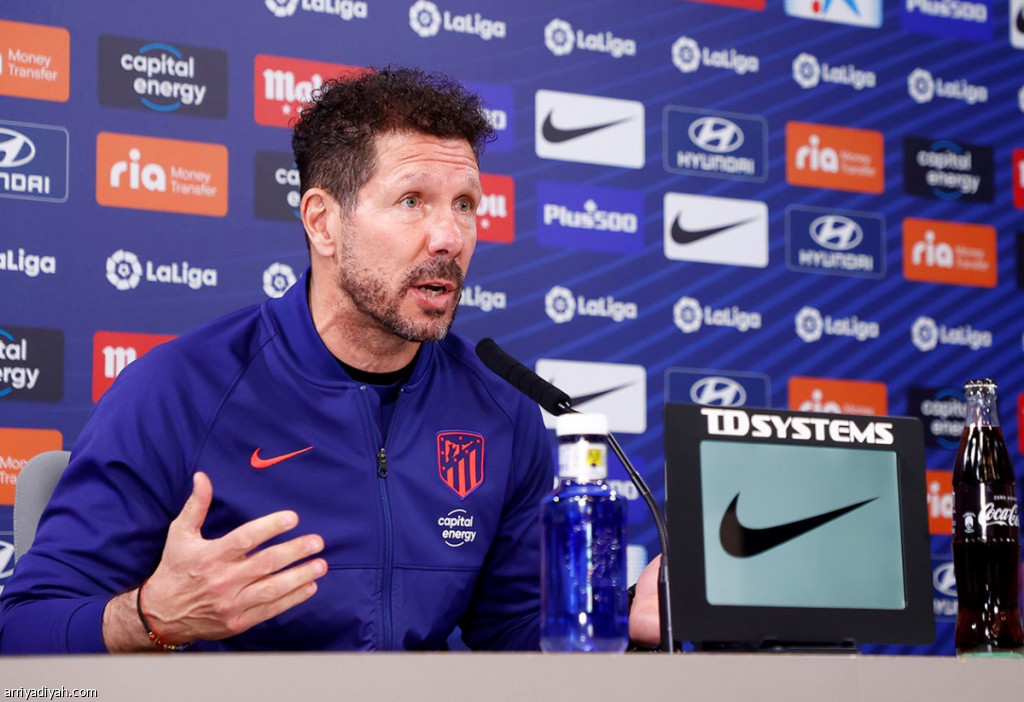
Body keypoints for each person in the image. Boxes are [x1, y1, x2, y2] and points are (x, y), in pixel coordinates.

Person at [0, 67, 661, 653]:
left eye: (465, 205)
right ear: (322, 221)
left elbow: (515, 632)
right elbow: (23, 630)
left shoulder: (502, 410)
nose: (450, 237)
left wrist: (623, 617)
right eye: (412, 201)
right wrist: (151, 617)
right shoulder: (179, 392)